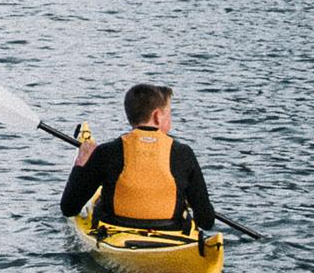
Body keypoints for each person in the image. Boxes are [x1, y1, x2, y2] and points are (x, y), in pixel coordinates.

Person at [62, 84, 219, 234]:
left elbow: (69, 208)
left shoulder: (106, 152)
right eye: (169, 113)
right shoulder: (183, 153)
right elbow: (206, 221)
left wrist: (81, 163)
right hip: (171, 235)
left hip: (115, 232)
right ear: (157, 116)